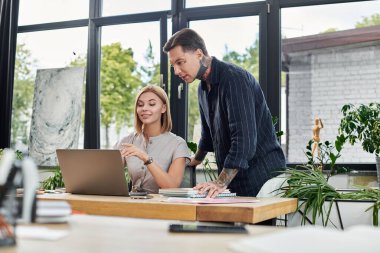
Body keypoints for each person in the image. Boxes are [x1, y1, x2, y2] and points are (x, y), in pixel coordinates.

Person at [163, 28, 286, 198]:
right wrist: (194, 160)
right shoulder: (202, 88)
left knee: (249, 225)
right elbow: (208, 135)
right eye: (173, 65)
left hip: (261, 176)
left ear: (199, 54)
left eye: (180, 62)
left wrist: (220, 182)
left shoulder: (234, 79)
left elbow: (244, 142)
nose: (176, 71)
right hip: (235, 179)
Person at [114, 85, 190, 194]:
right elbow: (106, 177)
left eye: (152, 104)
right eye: (140, 104)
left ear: (163, 108)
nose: (144, 108)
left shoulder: (178, 144)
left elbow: (171, 186)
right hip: (133, 203)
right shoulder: (127, 141)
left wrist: (145, 158)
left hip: (162, 206)